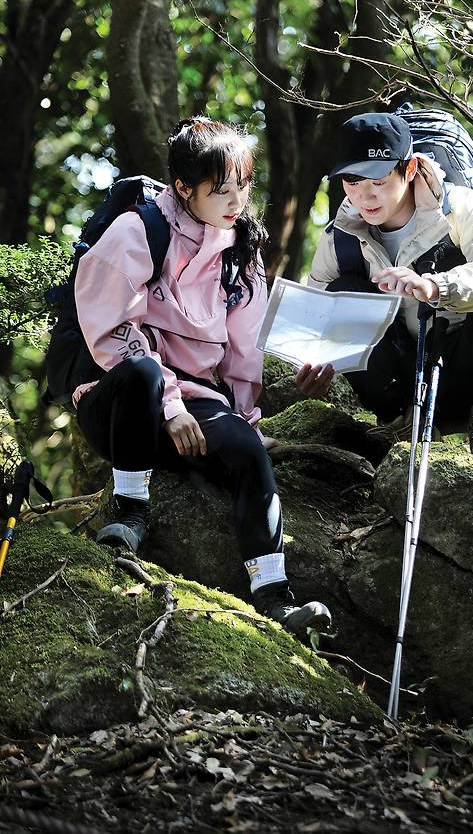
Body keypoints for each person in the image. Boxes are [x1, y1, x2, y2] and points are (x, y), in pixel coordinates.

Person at [73, 116, 331, 635]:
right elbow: (112, 335)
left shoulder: (241, 252)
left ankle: (274, 594)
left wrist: (246, 422)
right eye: (221, 190)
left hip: (197, 403)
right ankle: (129, 512)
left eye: (244, 186)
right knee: (144, 372)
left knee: (247, 451)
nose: (236, 201)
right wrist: (169, 407)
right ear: (183, 188)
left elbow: (241, 354)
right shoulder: (138, 231)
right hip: (123, 402)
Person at [296, 112, 473, 463]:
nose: (364, 195)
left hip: (467, 368)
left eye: (377, 180)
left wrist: (435, 286)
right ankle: (397, 424)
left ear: (409, 170)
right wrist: (316, 364)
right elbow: (316, 315)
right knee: (341, 292)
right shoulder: (342, 235)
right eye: (352, 180)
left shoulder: (459, 207)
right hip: (401, 377)